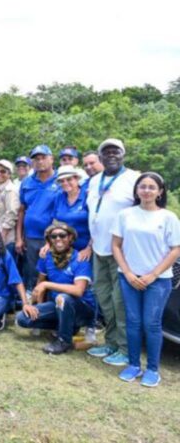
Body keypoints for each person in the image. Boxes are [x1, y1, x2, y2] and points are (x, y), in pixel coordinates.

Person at [111, 172, 180, 387]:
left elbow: (175, 249)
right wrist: (129, 273)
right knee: (133, 322)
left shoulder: (168, 218)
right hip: (129, 278)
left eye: (152, 187)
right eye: (143, 186)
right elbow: (116, 245)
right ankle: (133, 365)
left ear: (160, 192)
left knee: (151, 324)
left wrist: (152, 275)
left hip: (158, 281)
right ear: (137, 190)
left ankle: (152, 369)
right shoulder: (125, 215)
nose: (147, 190)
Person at [86, 138, 139, 366]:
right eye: (106, 152)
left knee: (120, 302)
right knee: (104, 299)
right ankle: (110, 342)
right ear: (100, 157)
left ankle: (126, 349)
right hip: (99, 249)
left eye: (115, 151)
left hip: (122, 252)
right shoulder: (94, 180)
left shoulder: (134, 179)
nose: (110, 155)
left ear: (123, 154)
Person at [16, 223, 96, 354]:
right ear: (49, 240)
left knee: (63, 297)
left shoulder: (80, 258)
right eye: (54, 236)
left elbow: (78, 291)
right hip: (57, 306)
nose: (58, 239)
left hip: (82, 309)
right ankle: (65, 327)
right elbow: (39, 284)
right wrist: (37, 308)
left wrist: (48, 285)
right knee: (22, 318)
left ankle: (64, 341)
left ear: (70, 238)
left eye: (62, 235)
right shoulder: (46, 257)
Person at [16, 145, 58, 291]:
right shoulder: (27, 182)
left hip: (55, 237)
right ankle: (33, 300)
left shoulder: (61, 180)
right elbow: (21, 210)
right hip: (31, 236)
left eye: (43, 158)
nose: (40, 162)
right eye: (36, 159)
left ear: (51, 159)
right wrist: (19, 238)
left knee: (53, 269)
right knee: (32, 270)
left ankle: (52, 303)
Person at [51, 166, 91, 257]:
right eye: (62, 181)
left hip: (85, 249)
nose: (65, 183)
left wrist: (89, 248)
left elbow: (96, 226)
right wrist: (49, 243)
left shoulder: (87, 196)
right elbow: (55, 222)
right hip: (65, 249)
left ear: (76, 179)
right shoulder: (59, 197)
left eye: (69, 179)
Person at [0, 160, 19, 253]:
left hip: (6, 240)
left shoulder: (10, 191)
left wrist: (2, 237)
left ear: (9, 174)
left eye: (3, 171)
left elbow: (12, 214)